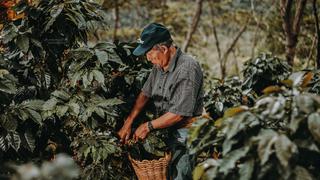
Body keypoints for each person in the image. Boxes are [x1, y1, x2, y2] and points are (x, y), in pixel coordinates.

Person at [117, 22, 204, 180]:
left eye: (149, 53)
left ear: (163, 49)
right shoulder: (159, 65)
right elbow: (145, 93)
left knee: (180, 174)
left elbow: (178, 114)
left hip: (184, 131)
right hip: (163, 127)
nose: (148, 58)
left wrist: (147, 127)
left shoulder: (187, 68)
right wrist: (128, 122)